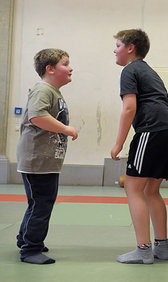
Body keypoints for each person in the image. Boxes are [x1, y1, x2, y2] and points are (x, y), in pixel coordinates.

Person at [111, 29, 168, 264]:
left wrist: (119, 143)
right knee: (151, 190)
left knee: (133, 188)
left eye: (118, 45)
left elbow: (129, 108)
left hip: (152, 130)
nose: (115, 50)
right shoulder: (148, 70)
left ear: (131, 48)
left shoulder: (130, 70)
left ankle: (143, 250)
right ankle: (161, 248)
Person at [16, 48, 78, 264]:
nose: (70, 68)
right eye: (65, 64)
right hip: (37, 161)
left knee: (39, 203)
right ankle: (30, 249)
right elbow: (37, 116)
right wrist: (65, 129)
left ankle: (25, 239)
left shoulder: (53, 92)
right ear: (50, 69)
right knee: (41, 204)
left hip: (46, 161)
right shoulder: (43, 90)